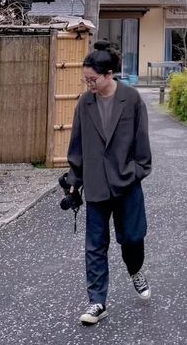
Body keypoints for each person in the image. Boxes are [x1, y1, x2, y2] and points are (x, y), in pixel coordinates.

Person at [61, 39, 152, 325]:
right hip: (96, 184)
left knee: (132, 239)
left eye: (92, 79)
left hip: (127, 184)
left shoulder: (132, 99)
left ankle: (135, 270)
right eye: (85, 79)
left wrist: (137, 170)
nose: (88, 84)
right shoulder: (85, 103)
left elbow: (142, 142)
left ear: (109, 74)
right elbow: (77, 146)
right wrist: (74, 181)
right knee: (95, 245)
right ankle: (97, 302)